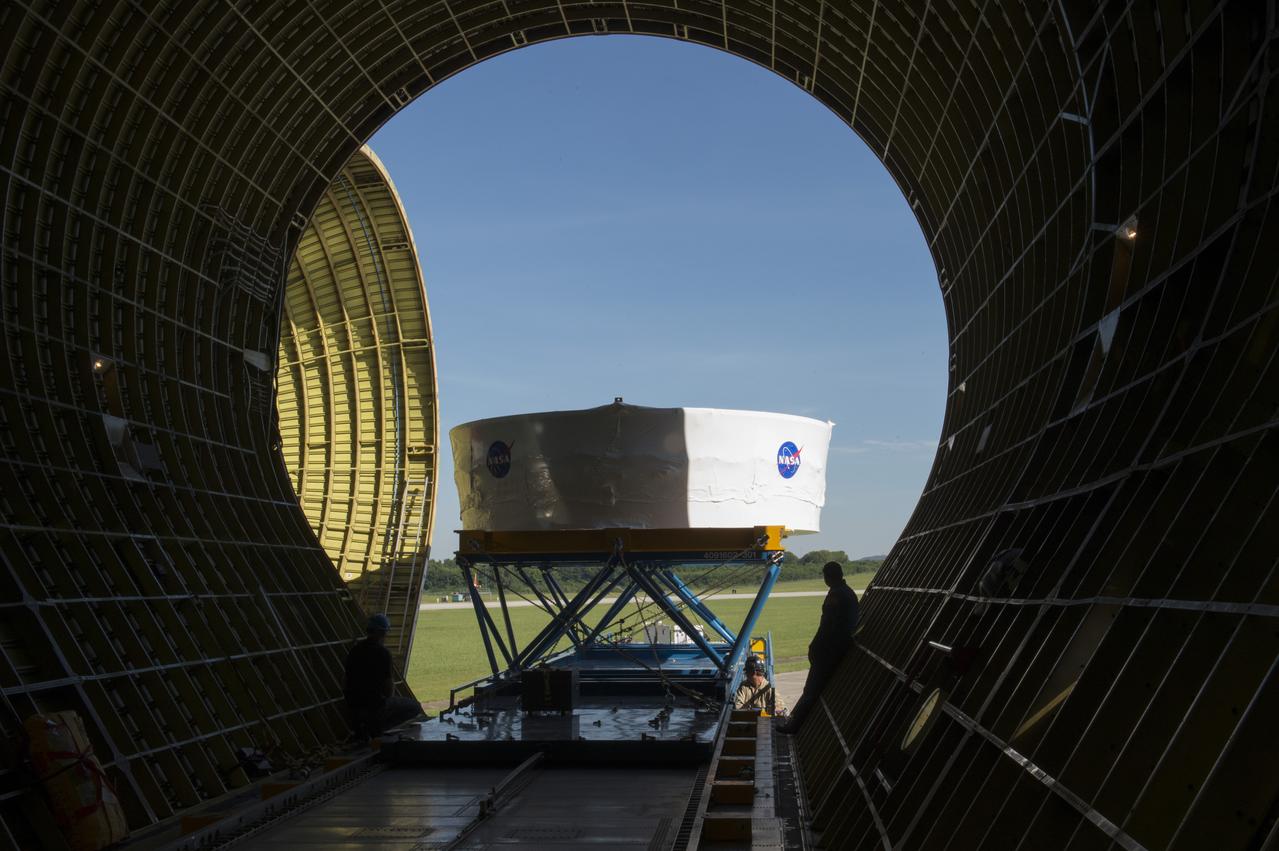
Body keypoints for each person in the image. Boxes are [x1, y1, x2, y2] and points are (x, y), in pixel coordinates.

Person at [778, 561, 859, 733]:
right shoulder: (848, 593)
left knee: (810, 690)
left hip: (829, 650)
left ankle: (794, 726)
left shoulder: (836, 595)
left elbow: (827, 625)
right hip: (839, 647)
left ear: (828, 576)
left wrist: (815, 646)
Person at [343, 613, 422, 739]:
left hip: (354, 706)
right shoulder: (382, 653)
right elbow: (388, 688)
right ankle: (379, 729)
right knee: (415, 707)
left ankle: (366, 730)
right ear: (382, 633)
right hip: (374, 706)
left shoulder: (354, 650)